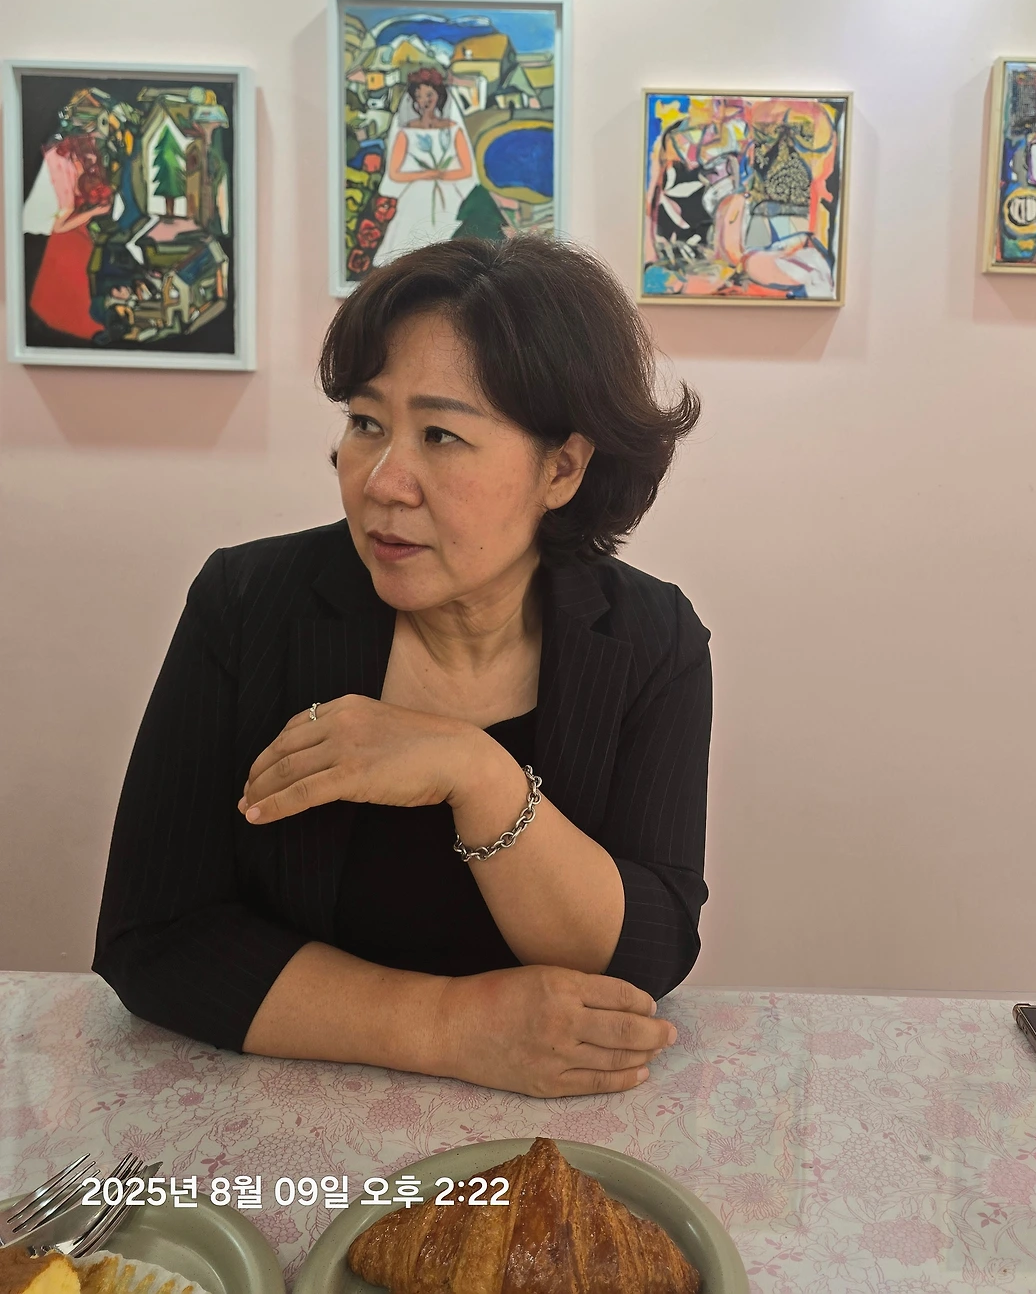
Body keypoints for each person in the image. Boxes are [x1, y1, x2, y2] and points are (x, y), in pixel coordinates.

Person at [93, 237, 710, 1099]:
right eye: (366, 423)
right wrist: (448, 1026)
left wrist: (478, 774)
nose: (383, 481)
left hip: (556, 1129)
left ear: (563, 467)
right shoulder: (249, 604)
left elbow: (649, 953)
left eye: (441, 435)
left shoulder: (650, 638)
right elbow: (153, 937)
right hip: (287, 1114)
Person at [372, 68, 479, 264]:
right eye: (419, 96)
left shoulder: (453, 129)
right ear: (414, 99)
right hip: (415, 196)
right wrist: (424, 175)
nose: (425, 101)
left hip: (450, 196)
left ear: (439, 96)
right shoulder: (406, 131)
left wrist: (440, 174)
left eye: (429, 95)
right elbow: (395, 173)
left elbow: (466, 169)